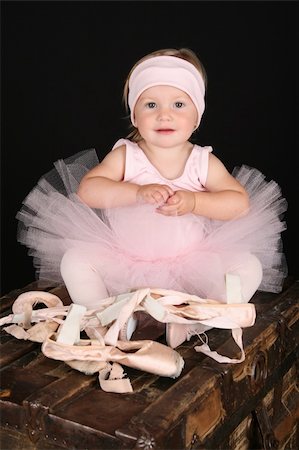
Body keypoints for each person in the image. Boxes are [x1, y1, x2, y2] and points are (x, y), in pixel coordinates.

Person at [17, 48, 287, 347]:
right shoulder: (127, 155)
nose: (164, 114)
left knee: (248, 265)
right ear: (135, 115)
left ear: (197, 116)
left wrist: (195, 201)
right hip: (124, 262)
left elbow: (238, 203)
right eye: (151, 104)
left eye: (179, 104)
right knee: (75, 260)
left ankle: (194, 319)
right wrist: (135, 192)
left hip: (190, 266)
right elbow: (89, 190)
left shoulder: (201, 162)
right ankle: (111, 317)